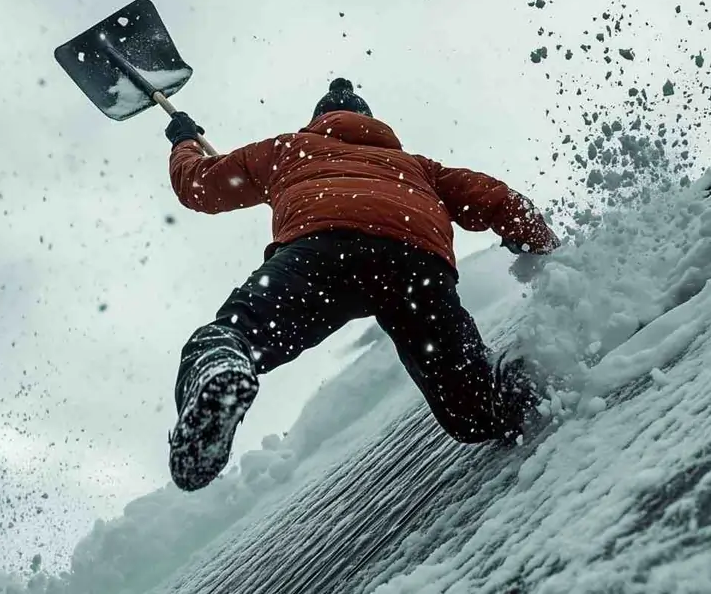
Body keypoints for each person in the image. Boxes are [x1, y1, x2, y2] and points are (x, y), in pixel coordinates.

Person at [165, 78, 560, 491]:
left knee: (232, 337)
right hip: (415, 269)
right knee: (478, 410)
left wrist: (184, 141)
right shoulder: (418, 167)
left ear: (317, 121)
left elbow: (198, 186)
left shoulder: (287, 150)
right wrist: (548, 251)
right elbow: (499, 199)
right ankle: (553, 366)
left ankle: (223, 369)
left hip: (322, 255)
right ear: (371, 122)